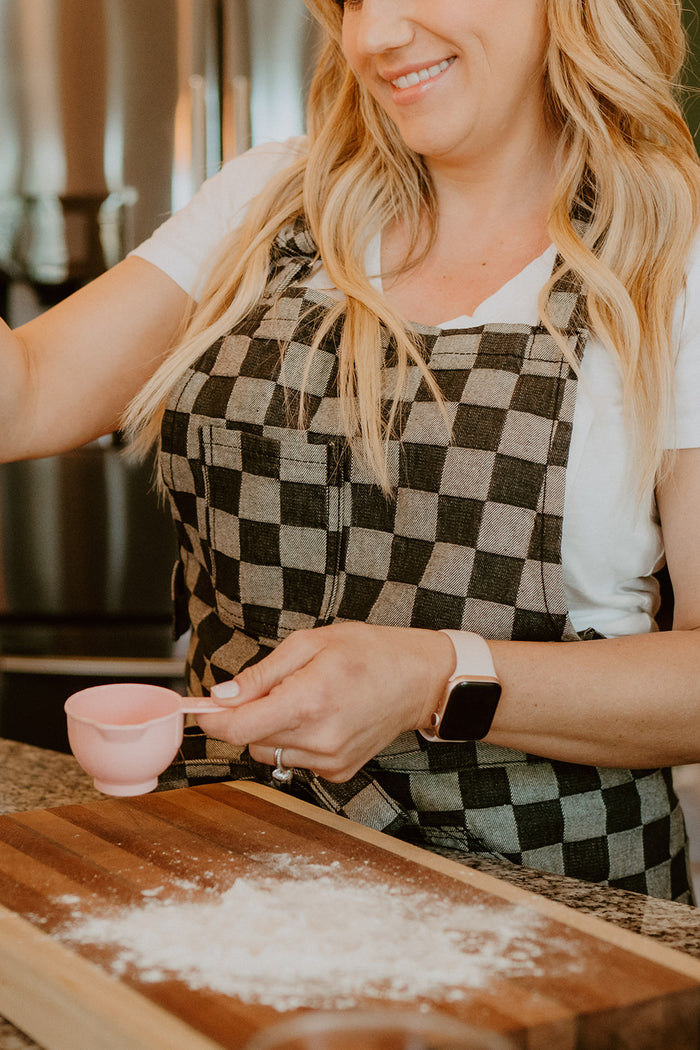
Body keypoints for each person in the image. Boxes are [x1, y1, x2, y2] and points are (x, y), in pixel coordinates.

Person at [2, 0, 700, 903]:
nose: (373, 37)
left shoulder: (673, 258)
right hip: (224, 879)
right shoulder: (271, 202)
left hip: (553, 914)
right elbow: (22, 395)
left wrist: (434, 676)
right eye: (354, 1)